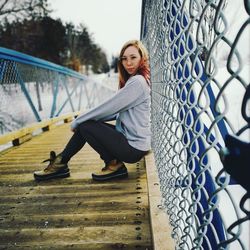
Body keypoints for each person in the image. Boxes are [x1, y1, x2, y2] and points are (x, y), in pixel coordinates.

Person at [34, 40, 151, 181]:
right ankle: (63, 162)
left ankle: (109, 165)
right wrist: (89, 119)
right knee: (88, 125)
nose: (128, 63)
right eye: (124, 59)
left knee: (85, 125)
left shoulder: (137, 82)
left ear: (142, 58)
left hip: (133, 148)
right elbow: (115, 111)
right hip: (135, 144)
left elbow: (109, 107)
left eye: (133, 57)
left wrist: (79, 121)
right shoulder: (137, 80)